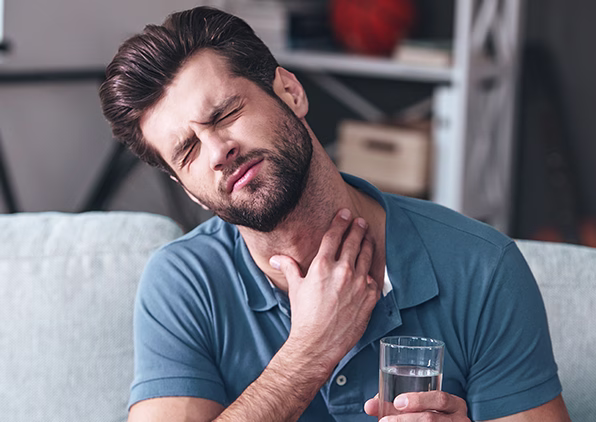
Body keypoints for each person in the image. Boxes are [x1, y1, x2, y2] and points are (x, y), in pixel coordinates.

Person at [99, 6, 571, 422]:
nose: (218, 150)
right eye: (188, 150)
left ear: (290, 92)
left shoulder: (480, 268)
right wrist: (310, 350)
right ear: (191, 192)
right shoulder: (183, 283)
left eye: (225, 114)